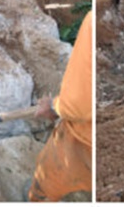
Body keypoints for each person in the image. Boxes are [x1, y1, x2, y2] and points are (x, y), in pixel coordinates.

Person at [28, 11, 92, 202]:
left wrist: (55, 107)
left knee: (49, 176)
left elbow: (78, 106)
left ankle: (40, 199)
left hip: (84, 139)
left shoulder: (92, 23)